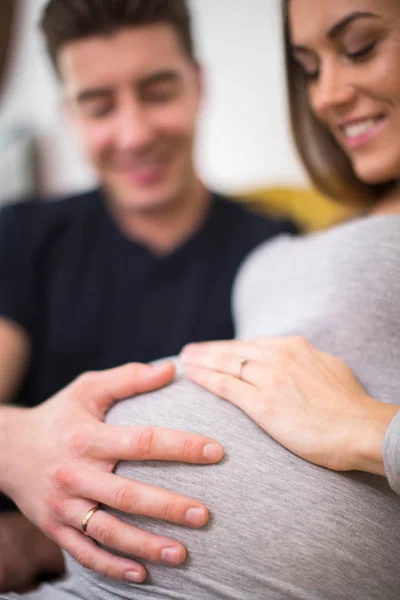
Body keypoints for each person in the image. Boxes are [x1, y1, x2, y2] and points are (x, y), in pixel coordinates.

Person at [3, 0, 400, 598]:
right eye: (100, 106)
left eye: (158, 91)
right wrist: (16, 447)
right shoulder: (23, 237)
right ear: (70, 115)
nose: (134, 133)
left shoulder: (274, 241)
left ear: (198, 84)